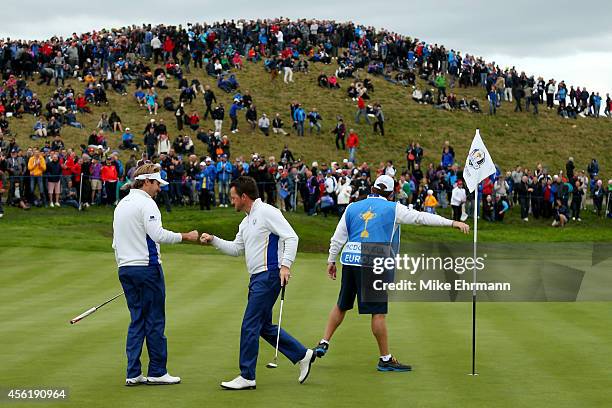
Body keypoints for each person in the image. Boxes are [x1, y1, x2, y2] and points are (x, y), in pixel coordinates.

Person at [315, 175, 469, 371]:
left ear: (372, 188)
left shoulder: (352, 207)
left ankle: (324, 342)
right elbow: (421, 217)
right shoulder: (393, 208)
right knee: (378, 313)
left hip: (350, 259)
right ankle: (385, 359)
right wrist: (452, 223)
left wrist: (331, 260)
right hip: (375, 261)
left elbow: (338, 237)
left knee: (342, 304)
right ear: (390, 193)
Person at [199, 176, 315, 390]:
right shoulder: (245, 221)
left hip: (269, 275)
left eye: (234, 197)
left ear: (244, 196)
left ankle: (247, 375)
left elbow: (291, 237)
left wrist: (286, 265)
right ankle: (302, 354)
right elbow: (236, 249)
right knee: (262, 326)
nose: (232, 201)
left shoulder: (267, 212)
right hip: (257, 278)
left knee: (249, 324)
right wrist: (214, 240)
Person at [112, 163, 199, 386]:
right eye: (157, 184)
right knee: (155, 320)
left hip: (125, 268)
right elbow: (157, 235)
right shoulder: (146, 203)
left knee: (137, 320)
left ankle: (133, 373)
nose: (159, 188)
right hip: (147, 268)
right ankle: (158, 371)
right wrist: (186, 236)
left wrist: (127, 269)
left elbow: (116, 244)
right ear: (147, 182)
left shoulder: (121, 204)